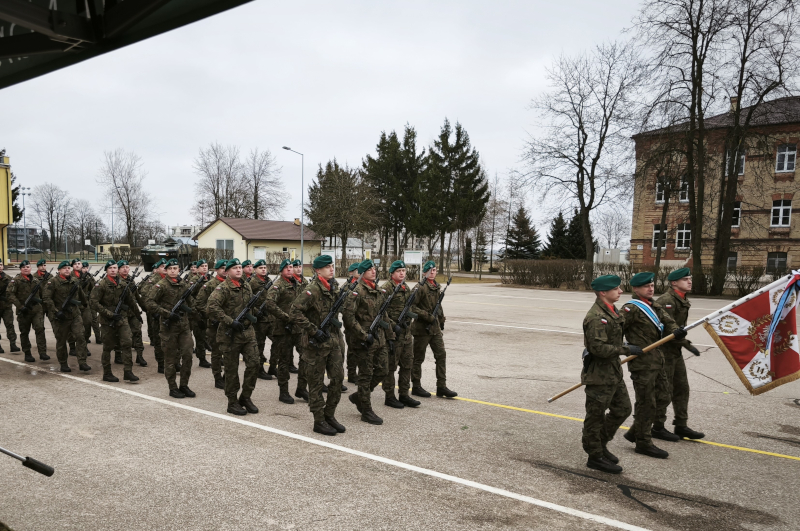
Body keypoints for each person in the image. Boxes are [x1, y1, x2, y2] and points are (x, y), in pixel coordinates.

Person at [621, 271, 688, 459]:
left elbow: (669, 322)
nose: (650, 288)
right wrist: (625, 348)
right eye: (646, 286)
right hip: (642, 363)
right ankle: (643, 442)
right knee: (646, 402)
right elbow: (615, 330)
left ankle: (635, 431)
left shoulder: (655, 306)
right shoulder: (631, 309)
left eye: (651, 285)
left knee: (664, 396)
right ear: (635, 289)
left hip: (658, 360)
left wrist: (677, 331)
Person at [581, 275, 633, 474]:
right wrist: (626, 349)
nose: (620, 291)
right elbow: (598, 349)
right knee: (595, 417)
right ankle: (594, 456)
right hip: (599, 375)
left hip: (613, 372)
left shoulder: (612, 311)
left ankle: (601, 444)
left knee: (623, 409)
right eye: (616, 288)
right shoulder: (595, 317)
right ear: (603, 292)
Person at [290, 254, 345, 435]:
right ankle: (318, 420)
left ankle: (329, 415)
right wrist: (313, 330)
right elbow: (295, 312)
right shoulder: (312, 289)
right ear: (318, 270)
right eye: (328, 266)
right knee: (316, 383)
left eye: (332, 266)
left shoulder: (333, 286)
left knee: (337, 380)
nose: (332, 269)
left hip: (333, 341)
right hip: (316, 344)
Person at [654, 268, 704, 441]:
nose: (689, 281)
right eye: (685, 279)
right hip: (664, 352)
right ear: (674, 283)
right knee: (664, 391)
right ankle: (657, 427)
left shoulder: (682, 299)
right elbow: (668, 329)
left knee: (682, 388)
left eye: (690, 278)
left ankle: (681, 425)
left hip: (675, 351)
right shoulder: (666, 301)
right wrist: (687, 344)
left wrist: (683, 344)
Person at [342, 259, 394, 425]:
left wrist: (390, 336)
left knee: (383, 369)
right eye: (369, 269)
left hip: (379, 338)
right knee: (365, 375)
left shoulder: (377, 290)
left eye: (374, 268)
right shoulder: (356, 291)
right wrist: (364, 335)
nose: (373, 271)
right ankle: (366, 410)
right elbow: (348, 318)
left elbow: (383, 315)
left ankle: (359, 396)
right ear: (362, 272)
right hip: (363, 340)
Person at [207, 258, 261, 416]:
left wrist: (256, 313)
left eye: (240, 267)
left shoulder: (246, 285)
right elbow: (211, 307)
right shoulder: (222, 288)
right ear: (228, 271)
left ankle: (245, 397)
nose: (239, 270)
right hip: (229, 335)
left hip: (247, 332)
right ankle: (232, 401)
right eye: (235, 268)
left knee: (254, 363)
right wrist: (230, 321)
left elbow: (249, 305)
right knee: (231, 370)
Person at [146, 258, 195, 398]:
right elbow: (149, 302)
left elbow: (191, 303)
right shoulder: (161, 285)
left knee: (187, 355)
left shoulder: (183, 285)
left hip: (184, 326)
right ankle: (173, 387)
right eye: (170, 269)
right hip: (169, 327)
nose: (173, 271)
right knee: (170, 359)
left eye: (175, 268)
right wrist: (166, 313)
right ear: (166, 270)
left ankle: (184, 385)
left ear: (179, 270)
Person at [410, 261, 457, 398]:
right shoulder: (419, 288)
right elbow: (411, 307)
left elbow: (438, 306)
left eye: (435, 270)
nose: (432, 272)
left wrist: (441, 319)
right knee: (418, 358)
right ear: (424, 272)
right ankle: (416, 386)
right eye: (429, 270)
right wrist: (427, 316)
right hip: (421, 329)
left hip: (435, 329)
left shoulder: (436, 287)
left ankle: (441, 386)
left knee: (441, 355)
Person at [89, 260, 139, 382]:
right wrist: (109, 314)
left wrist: (137, 314)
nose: (113, 270)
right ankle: (107, 373)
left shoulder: (123, 283)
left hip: (122, 319)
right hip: (107, 321)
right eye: (110, 268)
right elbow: (93, 302)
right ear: (106, 270)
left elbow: (131, 300)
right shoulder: (101, 285)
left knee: (127, 343)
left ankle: (128, 371)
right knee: (108, 347)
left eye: (115, 267)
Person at [381, 260, 420, 409]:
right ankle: (389, 396)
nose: (402, 273)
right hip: (393, 334)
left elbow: (410, 308)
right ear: (392, 273)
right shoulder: (386, 289)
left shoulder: (406, 288)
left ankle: (404, 394)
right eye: (399, 271)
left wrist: (407, 322)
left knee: (407, 364)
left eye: (403, 270)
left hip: (406, 333)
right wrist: (392, 326)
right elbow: (381, 312)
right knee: (391, 366)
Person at [263, 258, 302, 404]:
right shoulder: (277, 285)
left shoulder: (296, 284)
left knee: (305, 357)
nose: (290, 270)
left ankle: (301, 388)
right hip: (283, 329)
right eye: (287, 268)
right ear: (281, 270)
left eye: (291, 267)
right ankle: (283, 391)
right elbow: (270, 304)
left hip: (297, 328)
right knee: (284, 361)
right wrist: (285, 317)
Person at [43, 260, 91, 373]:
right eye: (64, 268)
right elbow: (46, 298)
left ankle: (82, 362)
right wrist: (56, 311)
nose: (67, 270)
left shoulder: (74, 281)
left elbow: (81, 295)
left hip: (74, 314)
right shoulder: (52, 282)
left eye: (68, 268)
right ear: (59, 270)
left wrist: (85, 305)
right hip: (60, 316)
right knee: (61, 341)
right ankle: (63, 364)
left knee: (80, 337)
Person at [194, 259, 227, 388]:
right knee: (217, 352)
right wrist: (210, 316)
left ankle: (227, 377)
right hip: (215, 324)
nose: (224, 270)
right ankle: (218, 378)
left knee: (230, 352)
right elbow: (199, 303)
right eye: (222, 268)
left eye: (226, 267)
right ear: (217, 270)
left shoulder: (233, 284)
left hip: (229, 324)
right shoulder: (210, 285)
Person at [7, 259, 49, 362]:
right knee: (24, 332)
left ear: (30, 268)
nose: (26, 269)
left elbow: (42, 293)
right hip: (24, 310)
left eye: (28, 267)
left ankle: (42, 352)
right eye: (24, 267)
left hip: (36, 309)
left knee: (40, 329)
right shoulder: (16, 280)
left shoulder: (35, 280)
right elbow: (10, 294)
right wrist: (20, 306)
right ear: (21, 269)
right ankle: (27, 353)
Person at [118, 261, 147, 367]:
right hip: (121, 312)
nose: (125, 269)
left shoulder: (131, 280)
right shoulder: (116, 280)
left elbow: (136, 297)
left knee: (137, 332)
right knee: (121, 335)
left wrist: (144, 307)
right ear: (118, 269)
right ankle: (118, 354)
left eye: (127, 267)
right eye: (123, 267)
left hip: (132, 311)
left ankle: (140, 356)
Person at [140, 259, 167, 372]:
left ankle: (171, 362)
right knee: (158, 339)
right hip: (156, 313)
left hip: (167, 312)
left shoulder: (169, 279)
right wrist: (152, 311)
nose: (165, 268)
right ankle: (161, 364)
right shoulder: (153, 280)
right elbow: (145, 295)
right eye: (162, 266)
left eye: (166, 266)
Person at [249, 259, 272, 380]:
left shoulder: (269, 281)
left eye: (265, 268)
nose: (263, 269)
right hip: (259, 319)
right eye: (261, 268)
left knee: (279, 343)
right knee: (260, 345)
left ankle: (273, 366)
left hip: (270, 318)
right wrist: (257, 312)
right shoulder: (252, 283)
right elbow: (247, 301)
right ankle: (259, 369)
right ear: (255, 269)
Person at [188, 259, 211, 368]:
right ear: (197, 268)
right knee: (200, 337)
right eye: (202, 266)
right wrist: (196, 309)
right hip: (198, 312)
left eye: (206, 265)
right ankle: (202, 359)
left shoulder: (209, 279)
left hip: (208, 311)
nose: (205, 267)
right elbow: (189, 296)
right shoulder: (195, 280)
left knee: (209, 336)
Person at [344, 262, 360, 383]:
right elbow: (340, 304)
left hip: (362, 322)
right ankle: (351, 373)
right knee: (352, 349)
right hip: (351, 321)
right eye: (358, 270)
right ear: (352, 272)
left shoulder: (363, 284)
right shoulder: (347, 286)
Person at [0, 259, 19, 354]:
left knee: (10, 325)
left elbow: (12, 292)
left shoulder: (8, 278)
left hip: (6, 306)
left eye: (1, 264)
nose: (0, 266)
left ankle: (13, 344)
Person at [83, 261, 102, 345]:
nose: (85, 269)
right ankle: (85, 338)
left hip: (91, 301)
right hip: (83, 303)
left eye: (86, 268)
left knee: (94, 319)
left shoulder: (90, 277)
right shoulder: (78, 278)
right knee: (86, 322)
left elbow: (94, 288)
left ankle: (98, 338)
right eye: (83, 268)